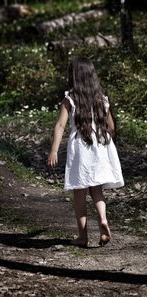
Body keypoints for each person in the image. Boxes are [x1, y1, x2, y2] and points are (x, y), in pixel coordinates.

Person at [48, 56, 124, 248]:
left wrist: (54, 151)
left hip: (80, 148)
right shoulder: (102, 98)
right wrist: (105, 143)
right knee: (97, 190)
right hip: (100, 145)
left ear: (74, 75)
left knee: (79, 193)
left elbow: (60, 126)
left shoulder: (70, 99)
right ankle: (103, 220)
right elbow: (111, 127)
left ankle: (82, 237)